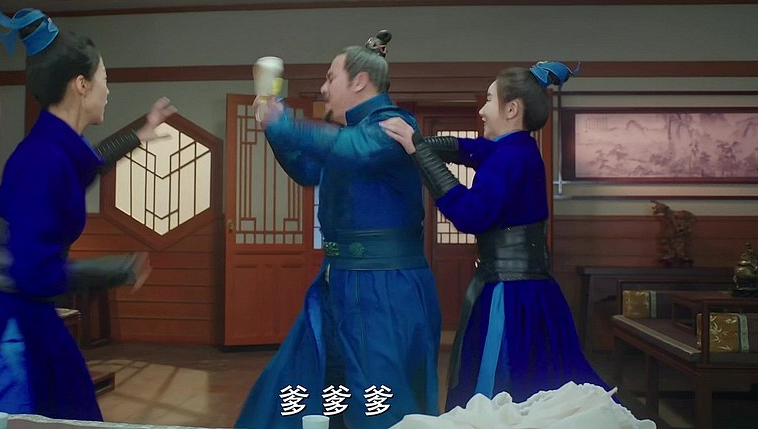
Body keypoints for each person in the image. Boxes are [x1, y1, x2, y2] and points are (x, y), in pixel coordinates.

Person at [0, 3, 177, 420]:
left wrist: (137, 136)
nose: (108, 90)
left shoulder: (52, 148)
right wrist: (116, 269)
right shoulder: (42, 159)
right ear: (81, 84)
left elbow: (83, 167)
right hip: (4, 327)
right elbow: (32, 271)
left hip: (15, 313)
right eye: (105, 79)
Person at [235, 31, 441, 429]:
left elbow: (352, 148)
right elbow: (308, 170)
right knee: (314, 381)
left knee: (380, 393)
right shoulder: (347, 136)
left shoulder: (393, 124)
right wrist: (273, 125)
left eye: (331, 78)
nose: (323, 88)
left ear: (359, 81)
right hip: (340, 276)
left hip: (384, 282)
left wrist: (283, 122)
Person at [380, 62, 610, 410]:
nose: (482, 110)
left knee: (501, 396)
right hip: (526, 289)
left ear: (512, 109)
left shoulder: (512, 157)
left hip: (511, 293)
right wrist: (420, 144)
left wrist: (418, 151)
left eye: (489, 100)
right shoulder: (516, 149)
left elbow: (471, 215)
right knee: (536, 391)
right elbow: (470, 150)